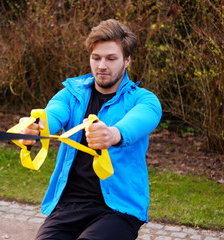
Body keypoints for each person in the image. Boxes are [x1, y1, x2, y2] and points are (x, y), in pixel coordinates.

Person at [19, 19, 162, 240]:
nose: (101, 66)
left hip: (118, 210)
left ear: (127, 60)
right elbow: (52, 115)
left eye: (111, 58)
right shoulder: (71, 93)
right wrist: (35, 128)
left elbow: (137, 122)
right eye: (96, 58)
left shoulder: (144, 100)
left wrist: (112, 134)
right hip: (69, 205)